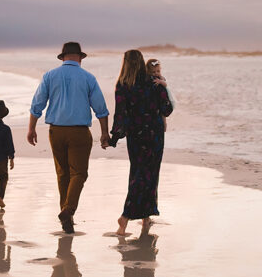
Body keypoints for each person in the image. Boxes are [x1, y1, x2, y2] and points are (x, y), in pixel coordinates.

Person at [28, 41, 111, 233]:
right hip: (79, 132)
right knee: (79, 174)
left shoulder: (49, 76)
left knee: (63, 174)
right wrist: (104, 133)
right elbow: (101, 109)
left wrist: (31, 128)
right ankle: (68, 210)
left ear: (63, 57)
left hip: (55, 131)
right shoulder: (88, 78)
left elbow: (37, 105)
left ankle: (66, 218)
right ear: (80, 58)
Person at [110, 50, 173, 236]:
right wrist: (164, 86)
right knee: (151, 174)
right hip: (154, 135)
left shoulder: (122, 84)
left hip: (136, 136)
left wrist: (113, 138)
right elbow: (167, 109)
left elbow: (120, 115)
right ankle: (126, 217)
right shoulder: (154, 82)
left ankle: (146, 218)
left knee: (138, 173)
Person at [145, 58, 174, 131]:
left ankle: (164, 124)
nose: (156, 73)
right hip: (156, 102)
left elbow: (165, 84)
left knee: (163, 113)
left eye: (158, 71)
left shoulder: (160, 77)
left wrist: (160, 81)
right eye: (153, 72)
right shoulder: (148, 78)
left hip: (164, 97)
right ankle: (163, 124)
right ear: (148, 71)